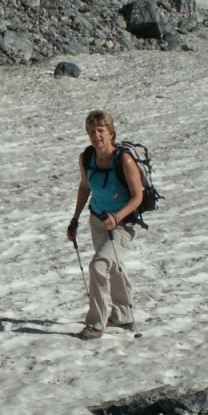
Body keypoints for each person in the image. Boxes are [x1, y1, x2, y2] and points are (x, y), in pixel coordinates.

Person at [66, 110, 144, 340]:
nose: (96, 136)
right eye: (91, 131)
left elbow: (137, 197)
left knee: (99, 266)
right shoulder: (87, 158)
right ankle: (124, 315)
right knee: (112, 265)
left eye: (100, 131)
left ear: (111, 133)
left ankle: (95, 324)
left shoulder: (124, 160)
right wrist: (75, 219)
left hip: (124, 223)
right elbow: (84, 187)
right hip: (97, 219)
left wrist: (117, 218)